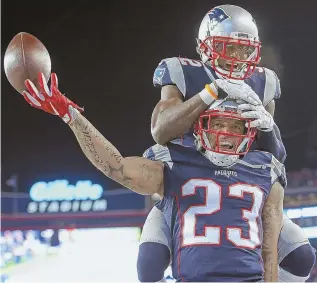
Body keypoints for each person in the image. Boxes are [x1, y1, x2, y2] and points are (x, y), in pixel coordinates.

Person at [21, 75, 284, 281]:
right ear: (201, 128)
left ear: (249, 132)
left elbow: (270, 251)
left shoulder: (264, 169)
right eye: (218, 124)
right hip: (192, 279)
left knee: (301, 256)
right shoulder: (176, 165)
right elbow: (118, 167)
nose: (226, 133)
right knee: (147, 265)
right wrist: (71, 115)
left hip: (250, 279)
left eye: (235, 126)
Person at [138, 4, 315, 282]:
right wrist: (208, 94)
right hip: (188, 189)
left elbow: (273, 159)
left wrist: (270, 131)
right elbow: (161, 131)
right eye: (228, 47)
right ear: (203, 46)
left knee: (302, 257)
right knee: (149, 264)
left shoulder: (264, 82)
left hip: (237, 187)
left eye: (245, 49)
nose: (237, 57)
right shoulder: (182, 72)